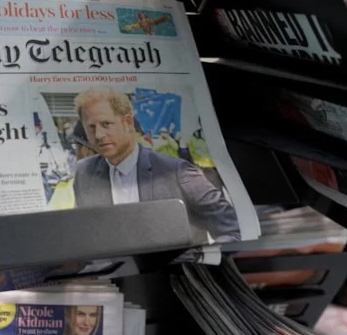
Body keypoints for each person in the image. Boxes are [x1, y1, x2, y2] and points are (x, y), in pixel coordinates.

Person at [72, 87, 240, 242]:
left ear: (128, 122)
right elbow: (84, 234)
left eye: (106, 124)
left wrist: (199, 261)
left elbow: (232, 230)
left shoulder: (176, 172)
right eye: (91, 127)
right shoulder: (84, 172)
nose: (98, 135)